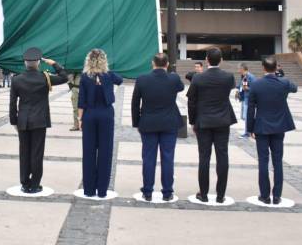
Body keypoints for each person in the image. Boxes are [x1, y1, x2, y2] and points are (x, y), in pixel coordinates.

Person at [9, 48, 68, 193]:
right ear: (38, 63)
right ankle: (35, 185)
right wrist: (54, 63)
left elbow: (12, 103)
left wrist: (14, 121)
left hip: (23, 121)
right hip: (39, 121)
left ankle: (25, 183)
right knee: (36, 153)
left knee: (24, 153)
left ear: (25, 63)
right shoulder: (44, 78)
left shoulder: (16, 79)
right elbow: (65, 77)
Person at [131, 53, 185, 201]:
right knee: (168, 158)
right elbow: (180, 88)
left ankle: (147, 191)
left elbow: (135, 103)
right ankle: (167, 192)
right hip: (169, 123)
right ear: (167, 64)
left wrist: (136, 122)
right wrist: (172, 74)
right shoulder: (173, 78)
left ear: (152, 63)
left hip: (148, 123)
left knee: (148, 158)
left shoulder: (142, 79)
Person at [187, 47, 236, 203]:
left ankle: (204, 193)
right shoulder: (228, 77)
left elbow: (191, 102)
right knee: (223, 157)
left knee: (204, 158)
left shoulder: (198, 78)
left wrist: (193, 121)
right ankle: (220, 195)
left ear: (207, 59)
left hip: (204, 121)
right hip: (222, 121)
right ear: (220, 60)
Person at [247, 56, 297, 205]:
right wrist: (281, 74)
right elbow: (295, 87)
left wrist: (250, 128)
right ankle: (277, 195)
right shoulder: (284, 83)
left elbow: (251, 109)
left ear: (263, 68)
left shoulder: (256, 84)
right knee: (277, 161)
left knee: (263, 161)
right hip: (279, 126)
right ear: (276, 68)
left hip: (261, 126)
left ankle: (264, 195)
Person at [78, 49, 122, 198]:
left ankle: (89, 190)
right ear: (104, 60)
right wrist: (105, 75)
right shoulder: (109, 75)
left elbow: (81, 102)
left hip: (89, 115)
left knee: (88, 152)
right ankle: (102, 190)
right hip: (106, 115)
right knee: (105, 151)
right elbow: (120, 80)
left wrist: (79, 119)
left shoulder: (84, 77)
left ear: (88, 61)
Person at [236, 63, 256, 138]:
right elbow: (241, 86)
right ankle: (249, 131)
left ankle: (248, 133)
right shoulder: (243, 76)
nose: (238, 70)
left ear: (242, 69)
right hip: (244, 98)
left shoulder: (251, 77)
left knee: (247, 116)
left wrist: (247, 88)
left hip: (249, 99)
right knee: (244, 116)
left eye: (239, 69)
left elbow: (255, 89)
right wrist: (238, 90)